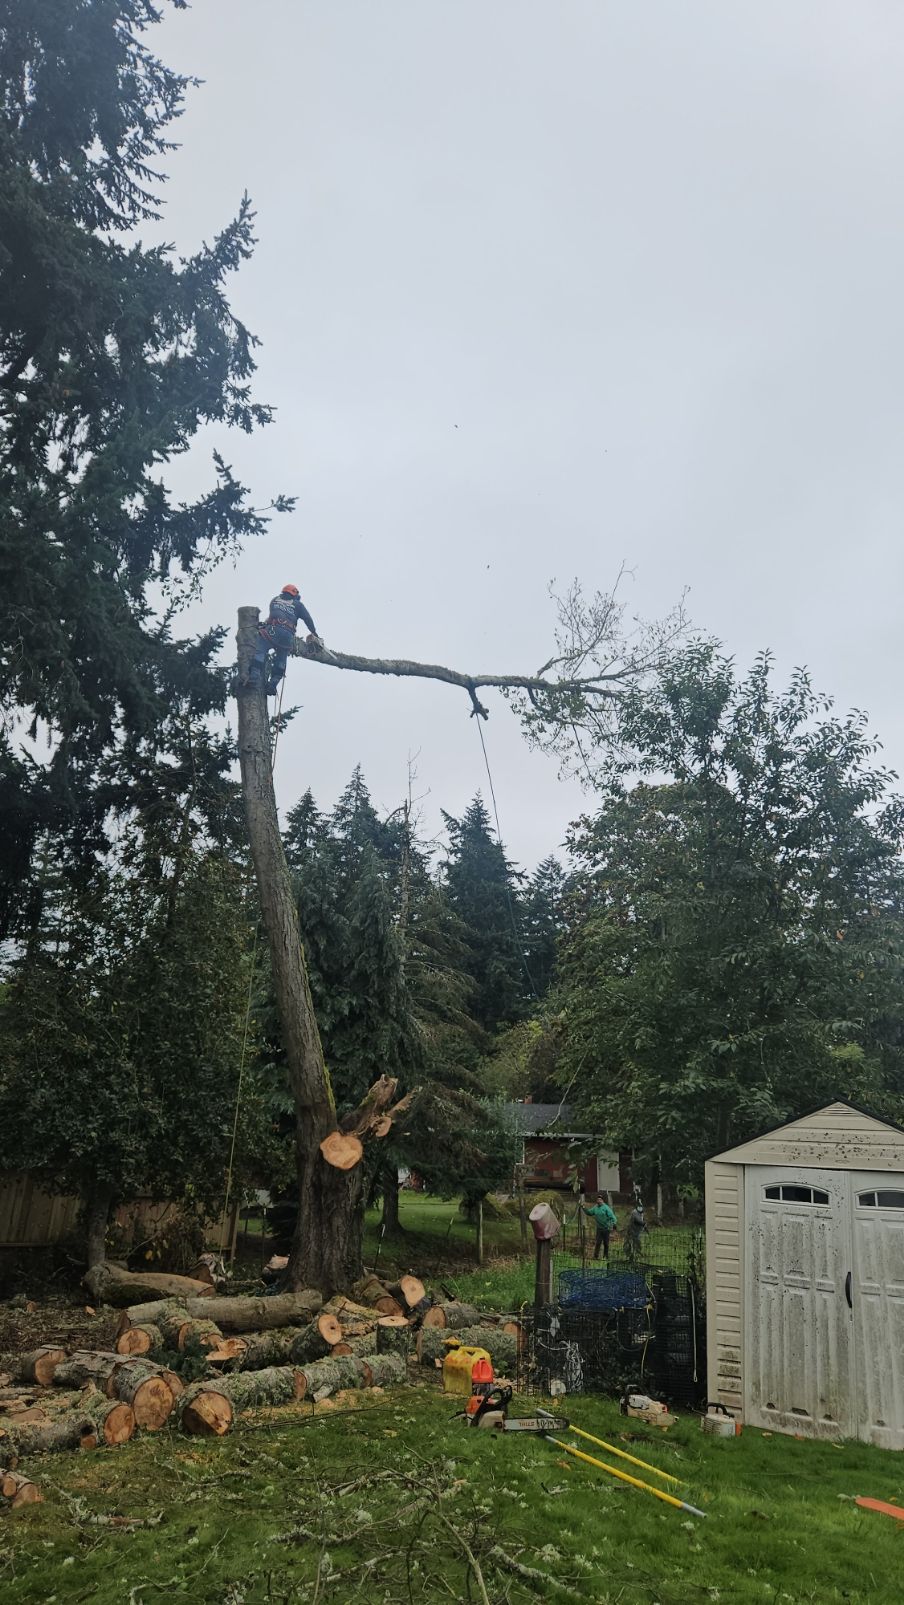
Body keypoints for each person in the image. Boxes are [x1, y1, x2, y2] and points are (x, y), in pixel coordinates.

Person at [247, 584, 322, 694]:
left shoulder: (274, 600)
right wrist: (314, 633)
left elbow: (272, 617)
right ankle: (272, 685)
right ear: (294, 594)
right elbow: (308, 619)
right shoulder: (298, 604)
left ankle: (254, 675)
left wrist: (264, 626)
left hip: (272, 630)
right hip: (287, 635)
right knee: (281, 659)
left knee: (261, 648)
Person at [582, 1191, 618, 1262]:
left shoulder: (606, 1208)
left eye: (600, 1199)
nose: (598, 1200)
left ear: (602, 1200)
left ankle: (605, 1257)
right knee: (598, 1243)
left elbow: (612, 1216)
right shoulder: (595, 1207)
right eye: (597, 1199)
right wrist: (583, 1207)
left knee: (606, 1243)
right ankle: (595, 1256)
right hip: (599, 1229)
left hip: (606, 1229)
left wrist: (614, 1224)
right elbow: (589, 1212)